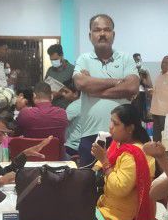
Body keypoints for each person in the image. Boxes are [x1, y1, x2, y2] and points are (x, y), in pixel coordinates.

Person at [73, 15, 140, 166]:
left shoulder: (125, 59)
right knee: (88, 179)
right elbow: (81, 83)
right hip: (90, 135)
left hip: (123, 136)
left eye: (107, 30)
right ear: (90, 35)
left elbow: (132, 87)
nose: (102, 33)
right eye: (97, 30)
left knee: (122, 179)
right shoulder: (83, 59)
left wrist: (94, 89)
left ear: (113, 35)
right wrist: (117, 81)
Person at [92, 103, 156, 220]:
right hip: (105, 206)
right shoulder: (118, 144)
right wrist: (93, 170)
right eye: (111, 121)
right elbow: (102, 162)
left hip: (121, 216)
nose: (110, 127)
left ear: (130, 128)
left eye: (115, 124)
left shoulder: (135, 153)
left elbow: (119, 188)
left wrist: (104, 161)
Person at [16, 82, 68, 146]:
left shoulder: (25, 113)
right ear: (51, 96)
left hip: (31, 151)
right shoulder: (62, 113)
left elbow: (16, 134)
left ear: (34, 95)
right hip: (55, 152)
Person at [62, 82, 83, 157]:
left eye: (66, 92)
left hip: (72, 146)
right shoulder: (85, 103)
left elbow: (61, 123)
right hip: (82, 143)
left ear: (75, 93)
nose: (63, 94)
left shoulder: (73, 106)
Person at [132, 53, 153, 122]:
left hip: (142, 96)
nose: (137, 62)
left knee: (142, 116)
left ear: (141, 60)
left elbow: (150, 85)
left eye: (138, 60)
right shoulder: (130, 71)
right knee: (133, 116)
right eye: (135, 60)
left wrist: (143, 77)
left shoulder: (144, 71)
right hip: (133, 97)